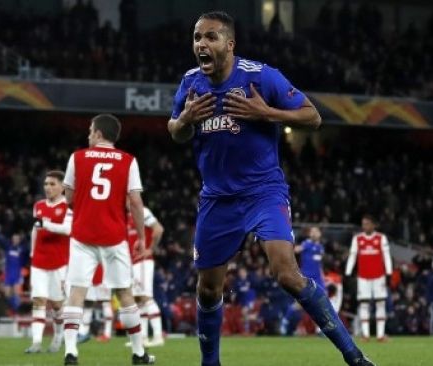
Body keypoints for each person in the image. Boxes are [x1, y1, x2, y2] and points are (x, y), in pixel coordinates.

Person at [167, 11, 373, 366]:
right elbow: (175, 131)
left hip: (264, 192)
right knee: (208, 288)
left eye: (210, 37)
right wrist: (184, 120)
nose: (201, 44)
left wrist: (268, 114)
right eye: (197, 37)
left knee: (287, 274)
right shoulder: (190, 83)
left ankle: (354, 356)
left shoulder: (261, 77)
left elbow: (314, 117)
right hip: (217, 198)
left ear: (229, 44)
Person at [61, 114, 155, 365]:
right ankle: (138, 354)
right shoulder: (128, 161)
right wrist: (142, 239)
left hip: (82, 234)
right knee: (125, 294)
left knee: (76, 293)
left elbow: (68, 197)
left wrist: (84, 201)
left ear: (99, 134)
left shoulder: (77, 157)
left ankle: (70, 352)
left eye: (91, 131)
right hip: (114, 236)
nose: (88, 135)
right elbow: (135, 202)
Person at [25, 170, 72, 354]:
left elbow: (68, 229)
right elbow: (35, 229)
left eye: (52, 184)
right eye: (46, 184)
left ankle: (58, 335)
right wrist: (31, 251)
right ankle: (36, 342)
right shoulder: (38, 206)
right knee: (38, 301)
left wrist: (47, 225)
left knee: (57, 305)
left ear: (62, 187)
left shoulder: (68, 206)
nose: (48, 188)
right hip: (39, 261)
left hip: (59, 262)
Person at [345, 215, 392, 341]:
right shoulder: (357, 239)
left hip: (379, 276)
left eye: (367, 224)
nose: (364, 226)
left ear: (373, 225)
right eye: (363, 224)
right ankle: (365, 335)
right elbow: (352, 256)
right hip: (363, 277)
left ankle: (380, 335)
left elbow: (386, 256)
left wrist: (389, 273)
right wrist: (348, 272)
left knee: (380, 303)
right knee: (364, 304)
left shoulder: (381, 238)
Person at [126, 206, 165, 347]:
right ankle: (142, 338)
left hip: (142, 261)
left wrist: (151, 249)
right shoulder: (125, 215)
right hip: (132, 263)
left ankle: (158, 336)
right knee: (138, 300)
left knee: (146, 297)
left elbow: (158, 229)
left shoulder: (142, 211)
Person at [0, 224, 29, 313]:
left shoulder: (22, 248)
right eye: (13, 238)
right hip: (8, 274)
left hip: (17, 275)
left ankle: (17, 311)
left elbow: (29, 247)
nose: (15, 240)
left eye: (17, 239)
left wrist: (26, 236)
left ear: (19, 240)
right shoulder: (8, 246)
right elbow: (0, 239)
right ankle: (11, 310)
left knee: (16, 294)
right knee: (7, 294)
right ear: (12, 239)